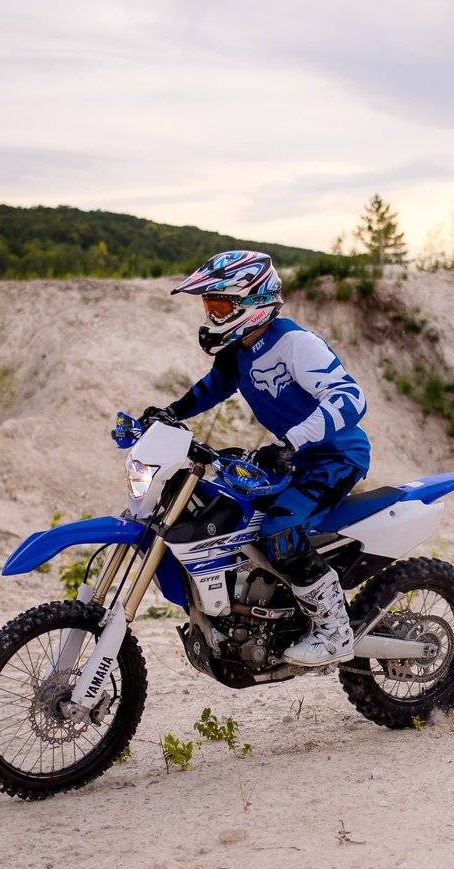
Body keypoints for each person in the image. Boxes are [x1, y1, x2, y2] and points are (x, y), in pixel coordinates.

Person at [140, 250, 369, 667]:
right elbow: (211, 389)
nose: (212, 315)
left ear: (253, 301)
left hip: (334, 456)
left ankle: (335, 631)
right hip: (292, 457)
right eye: (209, 306)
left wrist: (293, 442)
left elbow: (350, 398)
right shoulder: (238, 350)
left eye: (220, 305)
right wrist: (170, 413)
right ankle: (265, 612)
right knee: (232, 514)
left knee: (280, 527)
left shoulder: (296, 344)